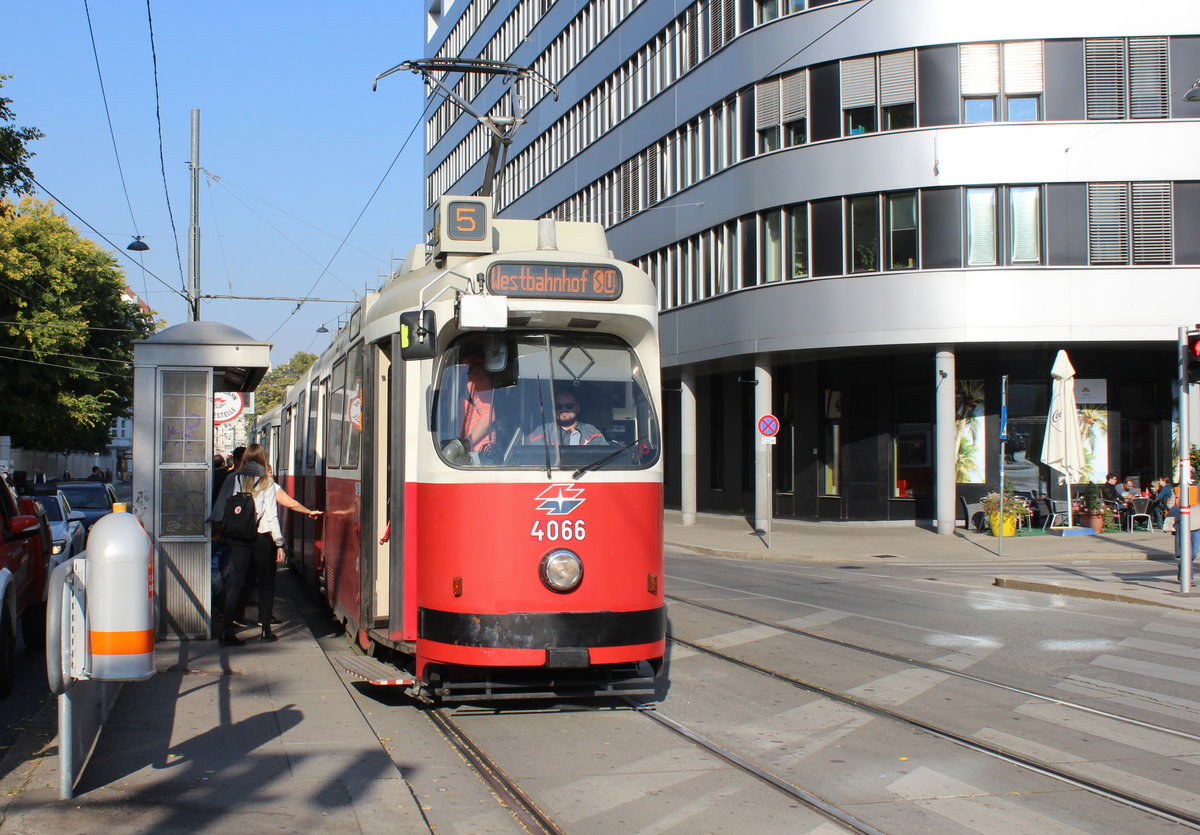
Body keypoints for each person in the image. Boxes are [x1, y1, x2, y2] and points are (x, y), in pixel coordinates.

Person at [211, 444, 286, 646]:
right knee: (266, 581)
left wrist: (219, 530)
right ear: (262, 459)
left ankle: (226, 630)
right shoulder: (266, 482)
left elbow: (220, 508)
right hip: (262, 537)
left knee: (236, 582)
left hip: (238, 537)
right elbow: (271, 516)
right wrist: (279, 543)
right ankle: (266, 630)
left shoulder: (233, 478)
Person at [529, 391, 606, 446]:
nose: (564, 409)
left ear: (577, 408)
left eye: (569, 406)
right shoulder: (542, 433)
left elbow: (605, 459)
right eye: (559, 407)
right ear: (554, 410)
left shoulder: (593, 433)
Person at [459, 351, 495, 454]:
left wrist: (466, 444)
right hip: (464, 450)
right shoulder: (457, 378)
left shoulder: (477, 377)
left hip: (479, 452)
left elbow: (488, 417)